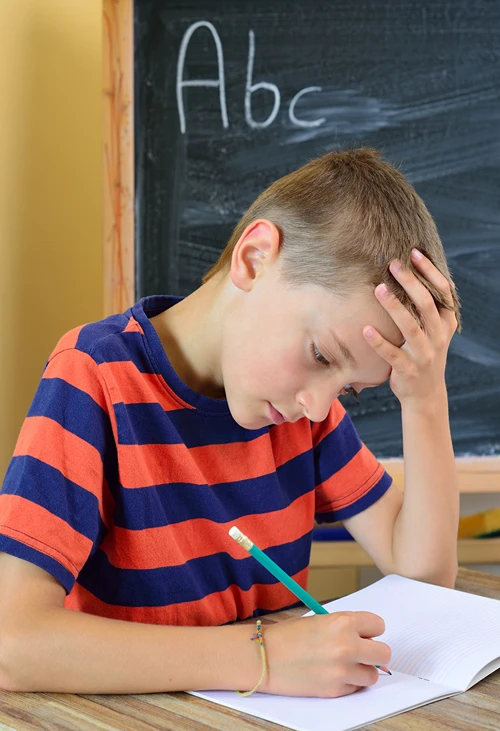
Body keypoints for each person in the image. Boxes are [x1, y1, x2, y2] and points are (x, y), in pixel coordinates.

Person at [0, 148, 460, 698]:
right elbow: (13, 643)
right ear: (255, 258)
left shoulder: (302, 413)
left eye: (348, 391)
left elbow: (426, 580)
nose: (319, 406)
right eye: (319, 355)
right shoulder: (94, 376)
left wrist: (425, 398)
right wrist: (262, 659)